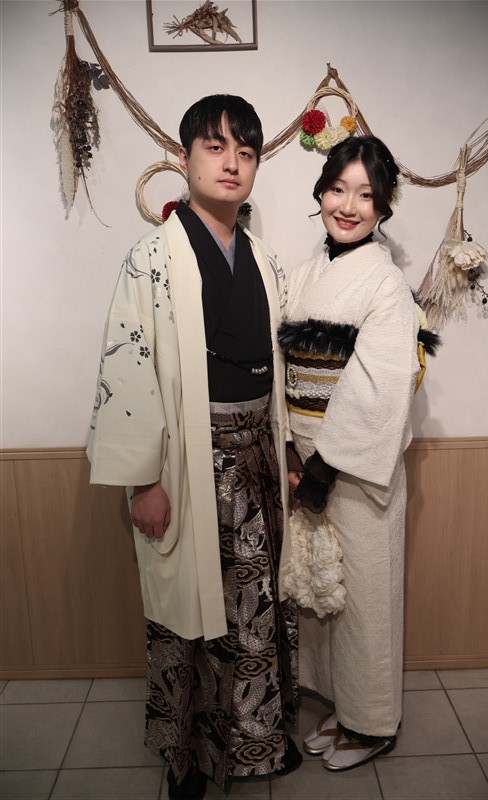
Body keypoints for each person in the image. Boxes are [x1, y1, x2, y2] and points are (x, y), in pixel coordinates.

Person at [87, 94, 300, 800]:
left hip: (256, 459)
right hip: (188, 461)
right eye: (215, 146)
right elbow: (130, 368)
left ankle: (256, 742)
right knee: (188, 616)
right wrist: (143, 480)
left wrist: (286, 450)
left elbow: (277, 368)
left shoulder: (263, 259)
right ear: (184, 158)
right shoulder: (151, 257)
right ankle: (189, 760)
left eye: (246, 150)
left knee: (254, 609)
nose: (231, 162)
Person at [279, 135, 440, 772]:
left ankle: (373, 725)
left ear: (383, 207)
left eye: (365, 196)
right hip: (307, 461)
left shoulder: (386, 284)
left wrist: (322, 467)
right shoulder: (306, 273)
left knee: (366, 597)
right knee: (324, 596)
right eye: (337, 189)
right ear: (320, 192)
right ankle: (343, 708)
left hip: (352, 470)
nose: (348, 206)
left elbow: (378, 387)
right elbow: (284, 370)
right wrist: (291, 449)